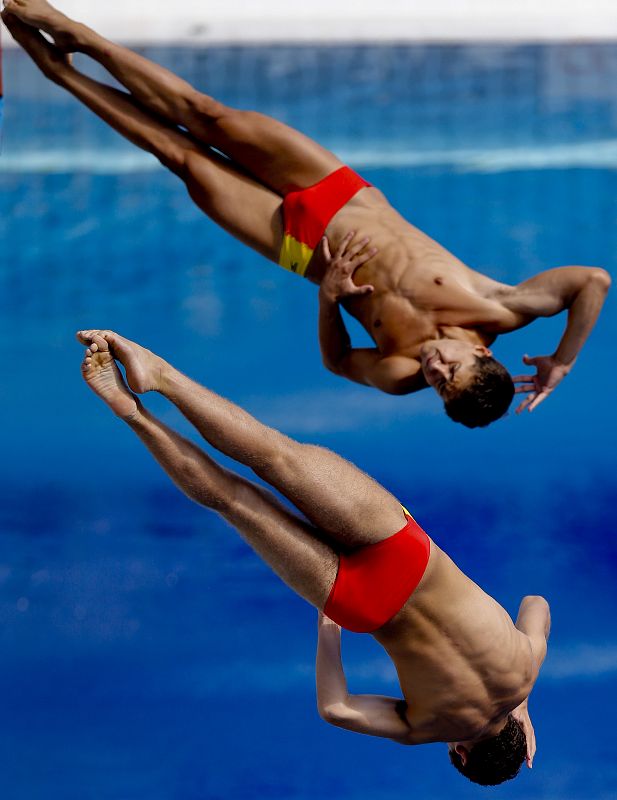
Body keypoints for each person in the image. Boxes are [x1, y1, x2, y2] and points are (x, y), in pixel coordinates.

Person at [2, 3, 611, 427]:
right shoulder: (500, 307)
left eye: (439, 385)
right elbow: (593, 281)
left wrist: (329, 297)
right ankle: (78, 36)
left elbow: (339, 362)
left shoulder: (402, 375)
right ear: (483, 356)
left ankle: (57, 70)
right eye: (449, 370)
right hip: (341, 195)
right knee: (206, 114)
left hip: (301, 251)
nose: (434, 369)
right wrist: (563, 358)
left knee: (181, 158)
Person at [75, 326, 550, 785]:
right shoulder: (428, 729)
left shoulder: (524, 667)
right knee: (233, 500)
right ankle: (131, 412)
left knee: (274, 455)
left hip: (408, 555)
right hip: (362, 604)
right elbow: (336, 708)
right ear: (463, 755)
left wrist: (521, 702)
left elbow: (536, 602)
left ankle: (159, 375)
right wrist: (329, 629)